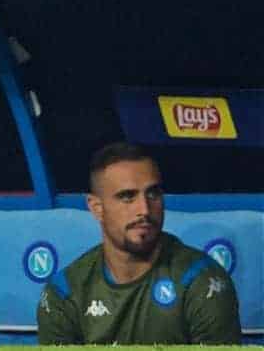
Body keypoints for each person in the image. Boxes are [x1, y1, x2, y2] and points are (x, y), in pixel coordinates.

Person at [37, 142, 240, 344]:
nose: (144, 209)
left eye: (153, 194)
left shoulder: (202, 282)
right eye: (127, 197)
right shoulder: (65, 292)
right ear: (96, 207)